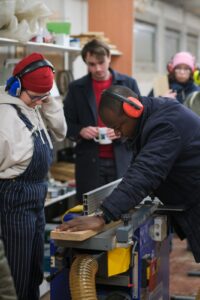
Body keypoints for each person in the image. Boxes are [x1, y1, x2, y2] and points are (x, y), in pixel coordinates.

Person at [58, 84, 200, 264]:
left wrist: (103, 215)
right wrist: (116, 201)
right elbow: (138, 168)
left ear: (133, 110)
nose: (118, 134)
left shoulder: (166, 124)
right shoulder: (151, 117)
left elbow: (145, 172)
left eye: (118, 127)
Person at [0, 52, 67, 300]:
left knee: (33, 273)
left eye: (43, 97)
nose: (38, 102)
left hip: (37, 197)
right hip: (14, 200)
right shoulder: (5, 115)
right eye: (35, 97)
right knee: (15, 276)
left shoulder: (33, 106)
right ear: (17, 86)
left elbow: (61, 131)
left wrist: (47, 100)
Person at [63, 38, 141, 202]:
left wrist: (122, 132)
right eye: (91, 64)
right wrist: (80, 131)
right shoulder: (76, 88)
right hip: (89, 162)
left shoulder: (128, 84)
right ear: (86, 63)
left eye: (101, 62)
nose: (97, 68)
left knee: (123, 207)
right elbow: (66, 124)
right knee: (90, 211)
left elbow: (140, 120)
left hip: (122, 157)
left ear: (109, 58)